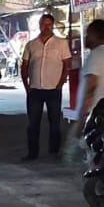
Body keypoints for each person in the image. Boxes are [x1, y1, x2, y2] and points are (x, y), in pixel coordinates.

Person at [19, 14, 72, 160]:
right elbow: (24, 66)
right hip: (35, 89)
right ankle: (32, 152)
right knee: (33, 123)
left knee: (54, 122)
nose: (46, 27)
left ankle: (54, 151)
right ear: (40, 25)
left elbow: (67, 65)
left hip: (53, 89)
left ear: (52, 25)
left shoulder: (61, 43)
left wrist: (61, 83)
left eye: (49, 24)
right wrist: (26, 85)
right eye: (43, 24)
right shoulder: (31, 44)